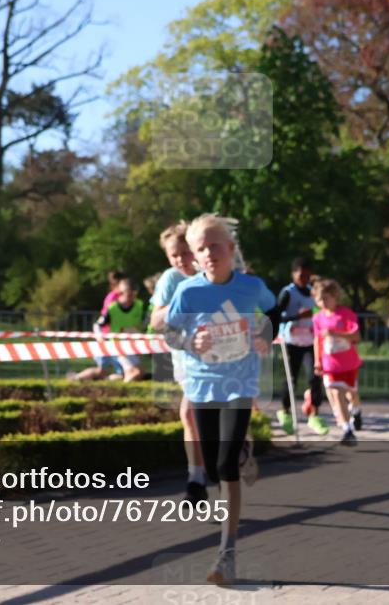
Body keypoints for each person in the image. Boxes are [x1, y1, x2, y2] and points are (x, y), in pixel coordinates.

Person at [165, 214, 277, 586]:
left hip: (239, 382)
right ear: (195, 257)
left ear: (230, 249)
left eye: (215, 245)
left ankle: (226, 555)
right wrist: (188, 342)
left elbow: (274, 311)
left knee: (225, 464)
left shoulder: (251, 287)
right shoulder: (189, 291)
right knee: (213, 468)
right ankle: (243, 454)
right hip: (202, 384)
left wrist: (265, 330)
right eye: (201, 248)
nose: (209, 253)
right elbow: (170, 332)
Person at [147, 222, 204, 506]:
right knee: (190, 416)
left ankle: (202, 476)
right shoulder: (170, 280)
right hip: (184, 358)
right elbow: (156, 320)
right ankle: (197, 479)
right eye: (174, 255)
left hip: (217, 359)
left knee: (194, 414)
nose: (181, 259)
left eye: (185, 252)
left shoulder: (211, 273)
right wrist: (178, 305)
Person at [275, 257, 328, 436]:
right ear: (294, 274)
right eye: (301, 275)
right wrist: (297, 317)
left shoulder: (312, 293)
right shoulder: (287, 293)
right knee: (291, 378)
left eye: (307, 275)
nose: (304, 278)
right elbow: (277, 316)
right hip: (291, 342)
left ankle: (315, 413)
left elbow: (318, 311)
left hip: (310, 342)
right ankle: (286, 411)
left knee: (315, 377)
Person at [312, 278, 363, 446]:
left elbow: (356, 337)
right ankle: (347, 430)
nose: (323, 302)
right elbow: (317, 341)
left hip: (348, 364)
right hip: (330, 365)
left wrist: (337, 333)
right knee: (335, 393)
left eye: (326, 298)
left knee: (352, 395)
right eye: (319, 299)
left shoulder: (346, 314)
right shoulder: (318, 318)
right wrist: (317, 361)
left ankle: (356, 411)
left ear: (335, 296)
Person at [70, 277, 146, 382]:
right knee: (130, 372)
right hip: (117, 346)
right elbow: (98, 325)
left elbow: (143, 324)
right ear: (121, 293)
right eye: (127, 294)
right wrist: (101, 339)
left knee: (125, 374)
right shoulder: (113, 308)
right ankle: (77, 378)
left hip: (131, 346)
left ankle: (108, 385)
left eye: (133, 294)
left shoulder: (139, 305)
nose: (130, 297)